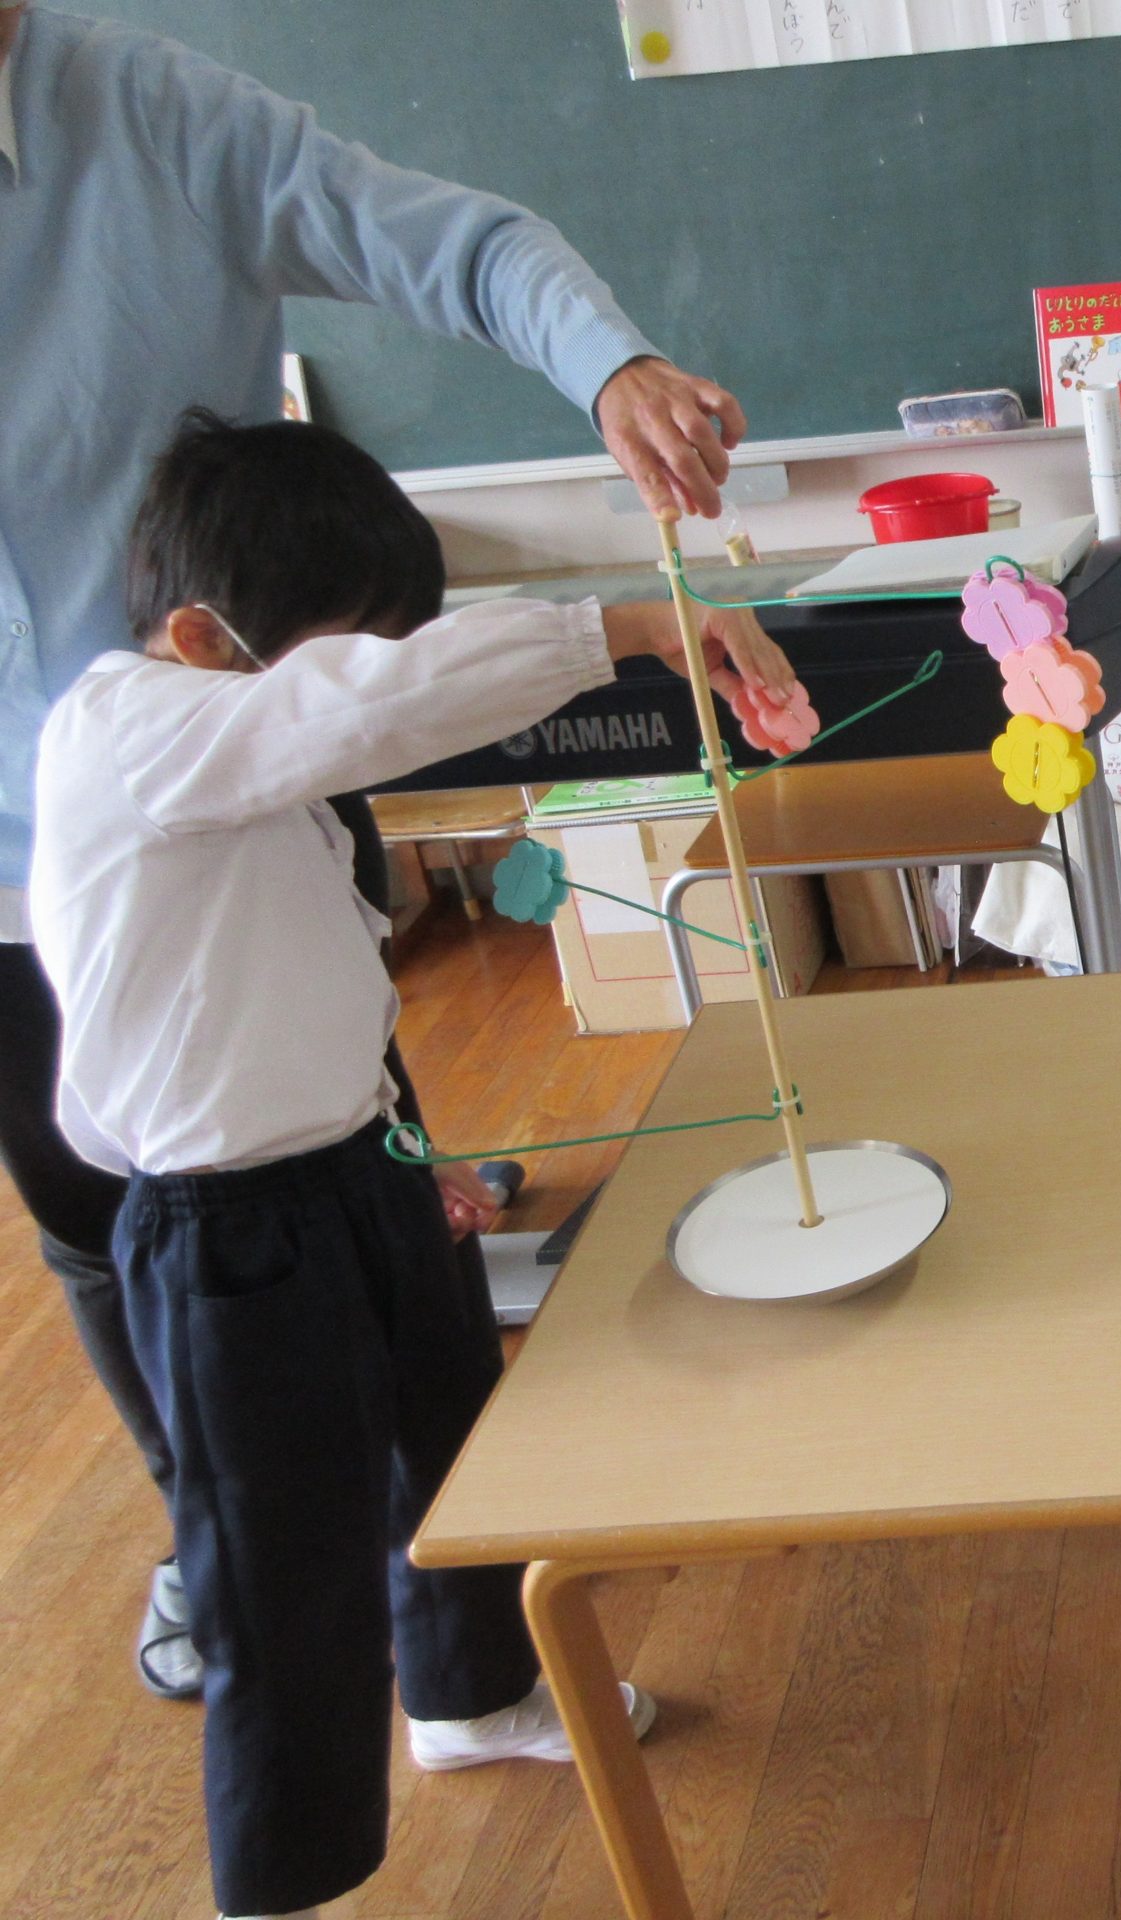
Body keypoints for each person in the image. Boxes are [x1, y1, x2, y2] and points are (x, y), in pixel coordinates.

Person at [0, 1, 746, 1695]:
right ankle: (232, 1554)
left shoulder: (142, 113)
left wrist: (609, 368)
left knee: (394, 1244)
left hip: (262, 788)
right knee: (120, 1239)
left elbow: (457, 247)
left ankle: (467, 1666)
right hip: (57, 870)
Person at [29, 413, 792, 1920]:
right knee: (279, 1577)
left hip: (354, 1172)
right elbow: (356, 711)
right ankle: (282, 1881)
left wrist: (395, 1144)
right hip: (227, 1231)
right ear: (202, 638)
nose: (372, 689)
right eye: (350, 651)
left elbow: (321, 975)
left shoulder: (242, 750)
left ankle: (470, 1695)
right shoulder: (129, 733)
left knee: (452, 1452)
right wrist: (629, 625)